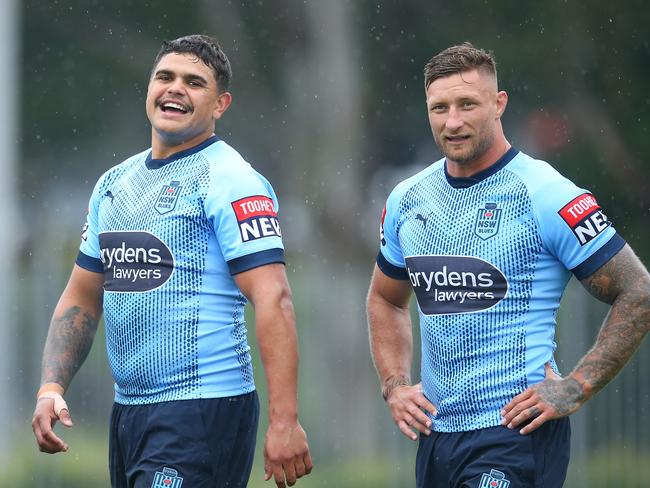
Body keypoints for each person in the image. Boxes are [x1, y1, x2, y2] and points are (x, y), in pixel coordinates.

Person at [31, 34, 312, 488]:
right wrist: (51, 388)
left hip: (202, 408)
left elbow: (274, 299)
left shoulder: (232, 180)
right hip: (129, 412)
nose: (175, 88)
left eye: (193, 82)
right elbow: (81, 296)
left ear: (220, 104)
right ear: (149, 89)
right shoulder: (113, 184)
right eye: (165, 76)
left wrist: (284, 421)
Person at [367, 42, 650, 487]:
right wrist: (396, 385)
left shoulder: (547, 194)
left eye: (467, 104)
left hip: (517, 432)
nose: (453, 121)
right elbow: (385, 300)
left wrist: (576, 386)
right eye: (439, 108)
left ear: (499, 104)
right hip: (438, 439)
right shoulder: (407, 199)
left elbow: (638, 291)